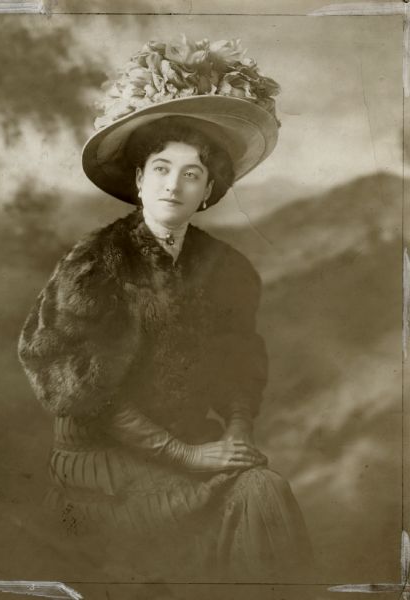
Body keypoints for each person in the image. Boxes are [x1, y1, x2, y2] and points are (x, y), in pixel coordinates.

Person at [18, 36, 313, 583]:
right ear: (137, 179)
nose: (173, 185)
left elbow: (239, 362)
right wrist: (188, 455)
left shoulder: (227, 268)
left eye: (191, 173)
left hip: (190, 443)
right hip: (104, 460)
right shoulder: (95, 264)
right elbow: (82, 392)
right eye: (160, 168)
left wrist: (239, 432)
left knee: (263, 487)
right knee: (248, 497)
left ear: (208, 191)